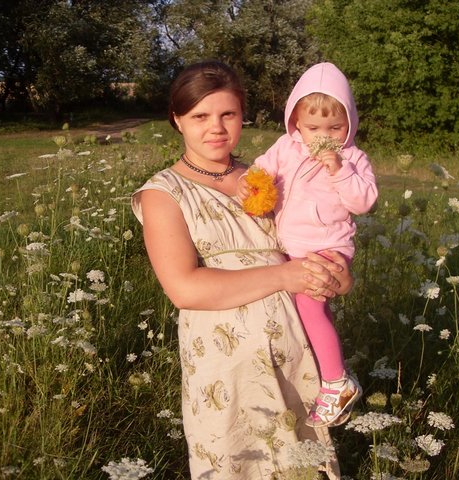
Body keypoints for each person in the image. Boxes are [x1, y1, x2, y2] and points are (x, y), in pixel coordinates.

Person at [131, 60, 353, 479]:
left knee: (302, 468)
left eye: (227, 114)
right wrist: (285, 276)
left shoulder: (270, 177)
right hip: (226, 372)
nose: (216, 128)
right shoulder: (165, 193)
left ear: (242, 116)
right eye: (200, 116)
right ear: (177, 120)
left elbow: (322, 242)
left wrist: (336, 274)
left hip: (296, 360)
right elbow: (184, 289)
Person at [237, 62, 378, 428]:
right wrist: (253, 182)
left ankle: (336, 383)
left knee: (310, 308)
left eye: (335, 128)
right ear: (296, 122)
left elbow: (363, 202)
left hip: (329, 246)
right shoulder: (286, 147)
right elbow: (261, 169)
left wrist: (339, 170)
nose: (323, 137)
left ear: (350, 124)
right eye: (313, 128)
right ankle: (323, 370)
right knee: (308, 313)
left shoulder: (353, 158)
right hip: (293, 247)